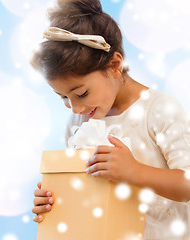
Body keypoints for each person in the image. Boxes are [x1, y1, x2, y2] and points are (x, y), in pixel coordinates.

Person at [31, 0, 190, 239]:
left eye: (81, 93)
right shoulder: (79, 122)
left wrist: (135, 171)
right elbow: (81, 187)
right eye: (63, 97)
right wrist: (53, 199)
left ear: (115, 66)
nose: (75, 108)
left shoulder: (159, 110)